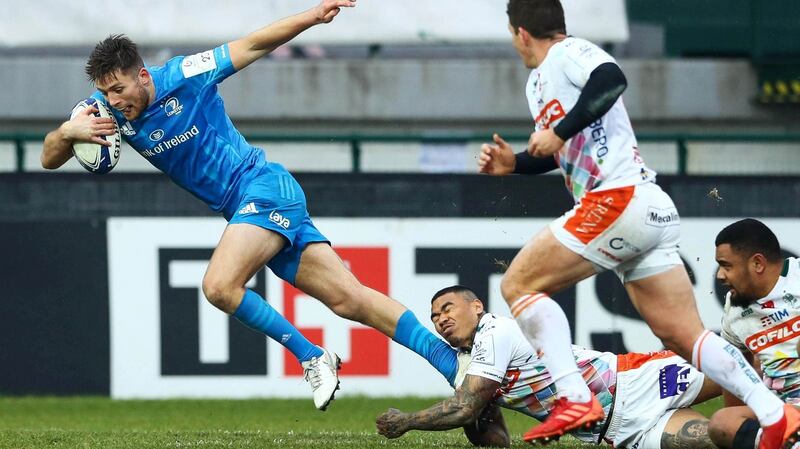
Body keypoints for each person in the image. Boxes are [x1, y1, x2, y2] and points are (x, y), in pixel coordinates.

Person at [40, 0, 457, 411]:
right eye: (104, 92)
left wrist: (313, 16)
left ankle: (312, 357)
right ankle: (451, 363)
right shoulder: (108, 115)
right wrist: (67, 131)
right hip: (249, 206)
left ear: (143, 76)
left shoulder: (185, 75)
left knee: (219, 286)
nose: (113, 101)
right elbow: (48, 158)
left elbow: (254, 44)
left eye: (119, 89)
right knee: (350, 300)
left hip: (262, 188)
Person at [476, 0, 796, 445]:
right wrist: (518, 164)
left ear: (521, 32)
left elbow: (612, 79)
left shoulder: (566, 53)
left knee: (518, 286)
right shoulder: (538, 83)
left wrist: (558, 132)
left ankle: (574, 396)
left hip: (617, 199)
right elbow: (567, 149)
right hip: (646, 210)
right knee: (684, 337)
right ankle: (773, 411)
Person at [376, 285, 721, 449]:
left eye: (448, 308)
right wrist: (480, 419)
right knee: (718, 440)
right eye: (435, 317)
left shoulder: (495, 331)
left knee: (749, 368)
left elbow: (464, 409)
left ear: (477, 307)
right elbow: (495, 440)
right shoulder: (472, 371)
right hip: (621, 431)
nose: (441, 319)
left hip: (634, 381)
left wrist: (407, 422)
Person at [707, 219, 800, 449]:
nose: (719, 275)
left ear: (757, 263)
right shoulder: (734, 310)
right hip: (780, 408)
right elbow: (734, 369)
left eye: (726, 265)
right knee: (722, 422)